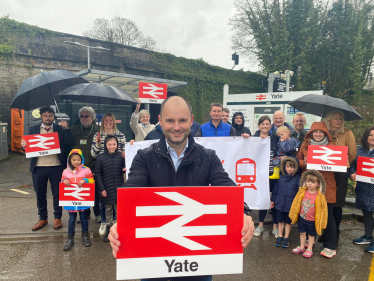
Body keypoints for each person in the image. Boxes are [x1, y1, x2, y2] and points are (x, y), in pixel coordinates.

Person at [108, 96, 254, 281]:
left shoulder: (208, 157)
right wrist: (122, 221)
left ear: (191, 120)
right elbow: (133, 187)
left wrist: (242, 211)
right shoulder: (144, 157)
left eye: (182, 120)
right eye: (170, 120)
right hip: (153, 264)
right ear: (160, 121)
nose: (176, 127)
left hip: (197, 267)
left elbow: (224, 184)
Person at [21, 106, 73, 231]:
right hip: (38, 168)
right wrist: (23, 145)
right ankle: (43, 218)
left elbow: (69, 142)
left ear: (53, 116)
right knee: (40, 194)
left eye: (50, 115)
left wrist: (67, 129)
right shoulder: (33, 129)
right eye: (45, 115)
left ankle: (57, 218)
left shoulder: (60, 128)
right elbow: (27, 148)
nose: (48, 118)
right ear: (41, 116)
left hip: (56, 167)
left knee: (57, 194)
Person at [297, 121, 337, 258]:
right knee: (308, 211)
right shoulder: (305, 145)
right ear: (311, 133)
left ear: (325, 133)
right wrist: (304, 162)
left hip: (326, 185)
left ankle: (330, 246)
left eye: (321, 132)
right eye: (315, 132)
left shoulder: (332, 147)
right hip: (309, 186)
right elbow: (299, 161)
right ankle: (309, 240)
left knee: (328, 215)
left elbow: (340, 163)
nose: (318, 134)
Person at [91, 112, 126, 235]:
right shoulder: (98, 134)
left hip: (116, 170)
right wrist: (99, 144)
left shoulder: (120, 135)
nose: (108, 122)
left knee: (117, 202)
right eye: (106, 120)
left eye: (111, 120)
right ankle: (104, 222)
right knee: (104, 202)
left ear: (114, 121)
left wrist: (125, 156)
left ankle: (116, 222)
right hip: (103, 167)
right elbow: (94, 154)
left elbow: (124, 153)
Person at [325, 110, 357, 243]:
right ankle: (326, 232)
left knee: (336, 204)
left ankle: (335, 233)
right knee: (325, 203)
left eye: (340, 119)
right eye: (335, 118)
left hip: (340, 172)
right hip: (326, 172)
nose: (338, 121)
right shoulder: (324, 131)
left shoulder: (347, 133)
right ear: (329, 119)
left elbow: (352, 153)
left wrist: (344, 162)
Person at [61, 149, 94, 251]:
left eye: (78, 159)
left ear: (82, 159)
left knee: (84, 219)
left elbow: (92, 180)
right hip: (71, 202)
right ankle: (70, 239)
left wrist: (85, 180)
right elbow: (61, 181)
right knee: (71, 220)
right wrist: (64, 180)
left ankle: (85, 237)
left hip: (83, 201)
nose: (76, 162)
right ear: (70, 160)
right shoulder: (65, 171)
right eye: (74, 160)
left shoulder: (87, 170)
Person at [71, 106, 100, 222]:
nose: (84, 118)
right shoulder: (74, 130)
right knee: (82, 190)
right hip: (79, 167)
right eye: (82, 116)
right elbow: (66, 142)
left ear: (92, 118)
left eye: (86, 116)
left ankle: (97, 213)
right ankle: (85, 213)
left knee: (96, 190)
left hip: (95, 165)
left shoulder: (99, 130)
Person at [289, 170, 328, 258]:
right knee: (302, 233)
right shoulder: (302, 192)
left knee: (311, 235)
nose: (309, 184)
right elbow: (295, 203)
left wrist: (322, 222)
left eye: (313, 182)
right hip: (302, 218)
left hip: (313, 220)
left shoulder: (320, 196)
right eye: (308, 181)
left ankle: (309, 248)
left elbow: (324, 211)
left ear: (318, 184)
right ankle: (302, 246)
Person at [95, 135, 126, 242]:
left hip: (119, 188)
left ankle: (118, 231)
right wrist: (102, 189)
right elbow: (98, 175)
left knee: (119, 212)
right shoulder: (100, 158)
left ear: (117, 145)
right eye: (109, 144)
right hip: (106, 189)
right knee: (108, 211)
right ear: (106, 145)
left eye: (114, 144)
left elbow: (124, 169)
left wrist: (125, 165)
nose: (112, 146)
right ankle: (108, 231)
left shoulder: (121, 157)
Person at [253, 115, 279, 238]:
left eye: (267, 124)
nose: (265, 126)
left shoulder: (275, 138)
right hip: (260, 175)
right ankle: (261, 225)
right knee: (262, 199)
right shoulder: (253, 138)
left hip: (273, 174)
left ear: (270, 125)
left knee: (274, 199)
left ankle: (275, 226)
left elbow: (280, 152)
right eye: (262, 124)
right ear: (259, 125)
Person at [350, 126, 374, 253]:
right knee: (366, 212)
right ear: (366, 136)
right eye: (370, 135)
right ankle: (368, 236)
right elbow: (352, 165)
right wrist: (352, 174)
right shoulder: (358, 150)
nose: (373, 137)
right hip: (363, 188)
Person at [271, 157, 300, 248]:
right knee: (280, 221)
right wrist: (273, 200)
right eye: (287, 166)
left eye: (292, 167)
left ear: (295, 168)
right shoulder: (280, 177)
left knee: (288, 222)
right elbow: (275, 190)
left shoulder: (298, 178)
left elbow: (299, 193)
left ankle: (286, 237)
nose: (289, 169)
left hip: (290, 205)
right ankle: (280, 235)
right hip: (280, 203)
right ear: (284, 167)